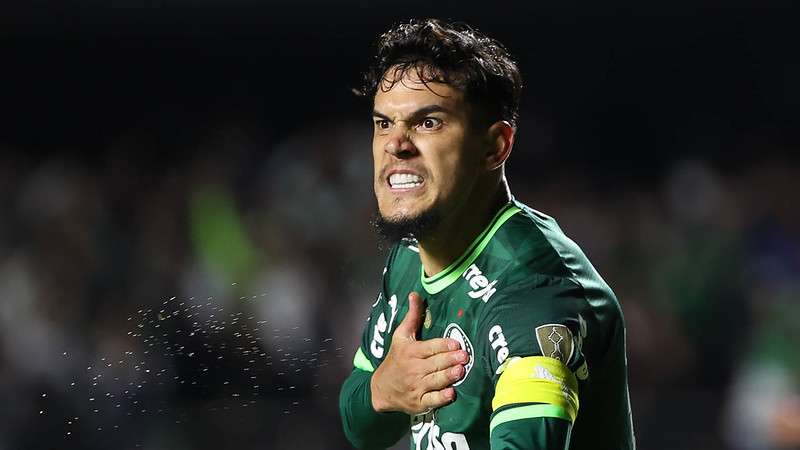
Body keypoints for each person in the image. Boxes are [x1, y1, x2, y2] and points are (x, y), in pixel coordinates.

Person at [339, 18, 635, 450]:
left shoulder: (532, 290)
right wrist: (385, 390)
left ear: (495, 146)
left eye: (428, 123)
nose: (395, 144)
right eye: (384, 123)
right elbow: (360, 425)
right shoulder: (412, 256)